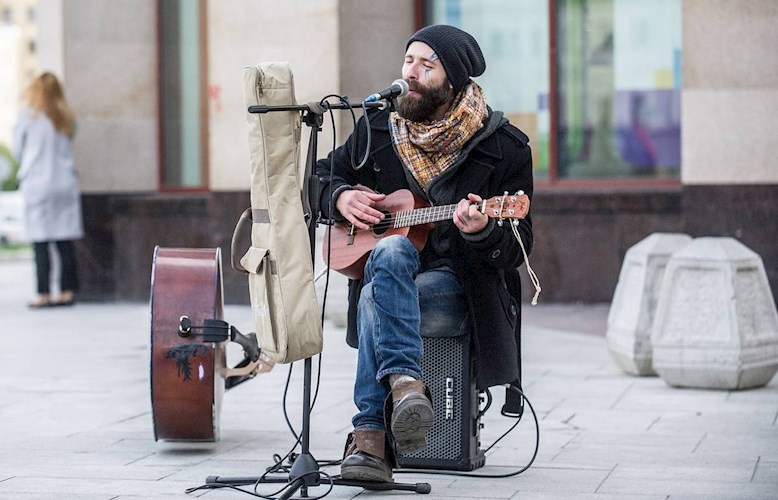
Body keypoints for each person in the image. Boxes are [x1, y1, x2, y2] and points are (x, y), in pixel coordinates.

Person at [315, 25, 534, 482]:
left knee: (378, 293)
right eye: (408, 60)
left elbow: (519, 246)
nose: (410, 73)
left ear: (451, 81)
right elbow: (318, 176)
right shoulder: (378, 127)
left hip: (457, 283)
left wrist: (482, 230)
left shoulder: (504, 146)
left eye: (425, 65)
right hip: (391, 269)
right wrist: (339, 197)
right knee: (392, 252)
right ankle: (407, 386)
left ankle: (369, 437)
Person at [12, 72, 84, 309]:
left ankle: (43, 293)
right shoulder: (66, 116)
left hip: (37, 182)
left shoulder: (27, 116)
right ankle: (67, 291)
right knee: (64, 241)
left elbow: (18, 150)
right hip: (63, 181)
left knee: (40, 241)